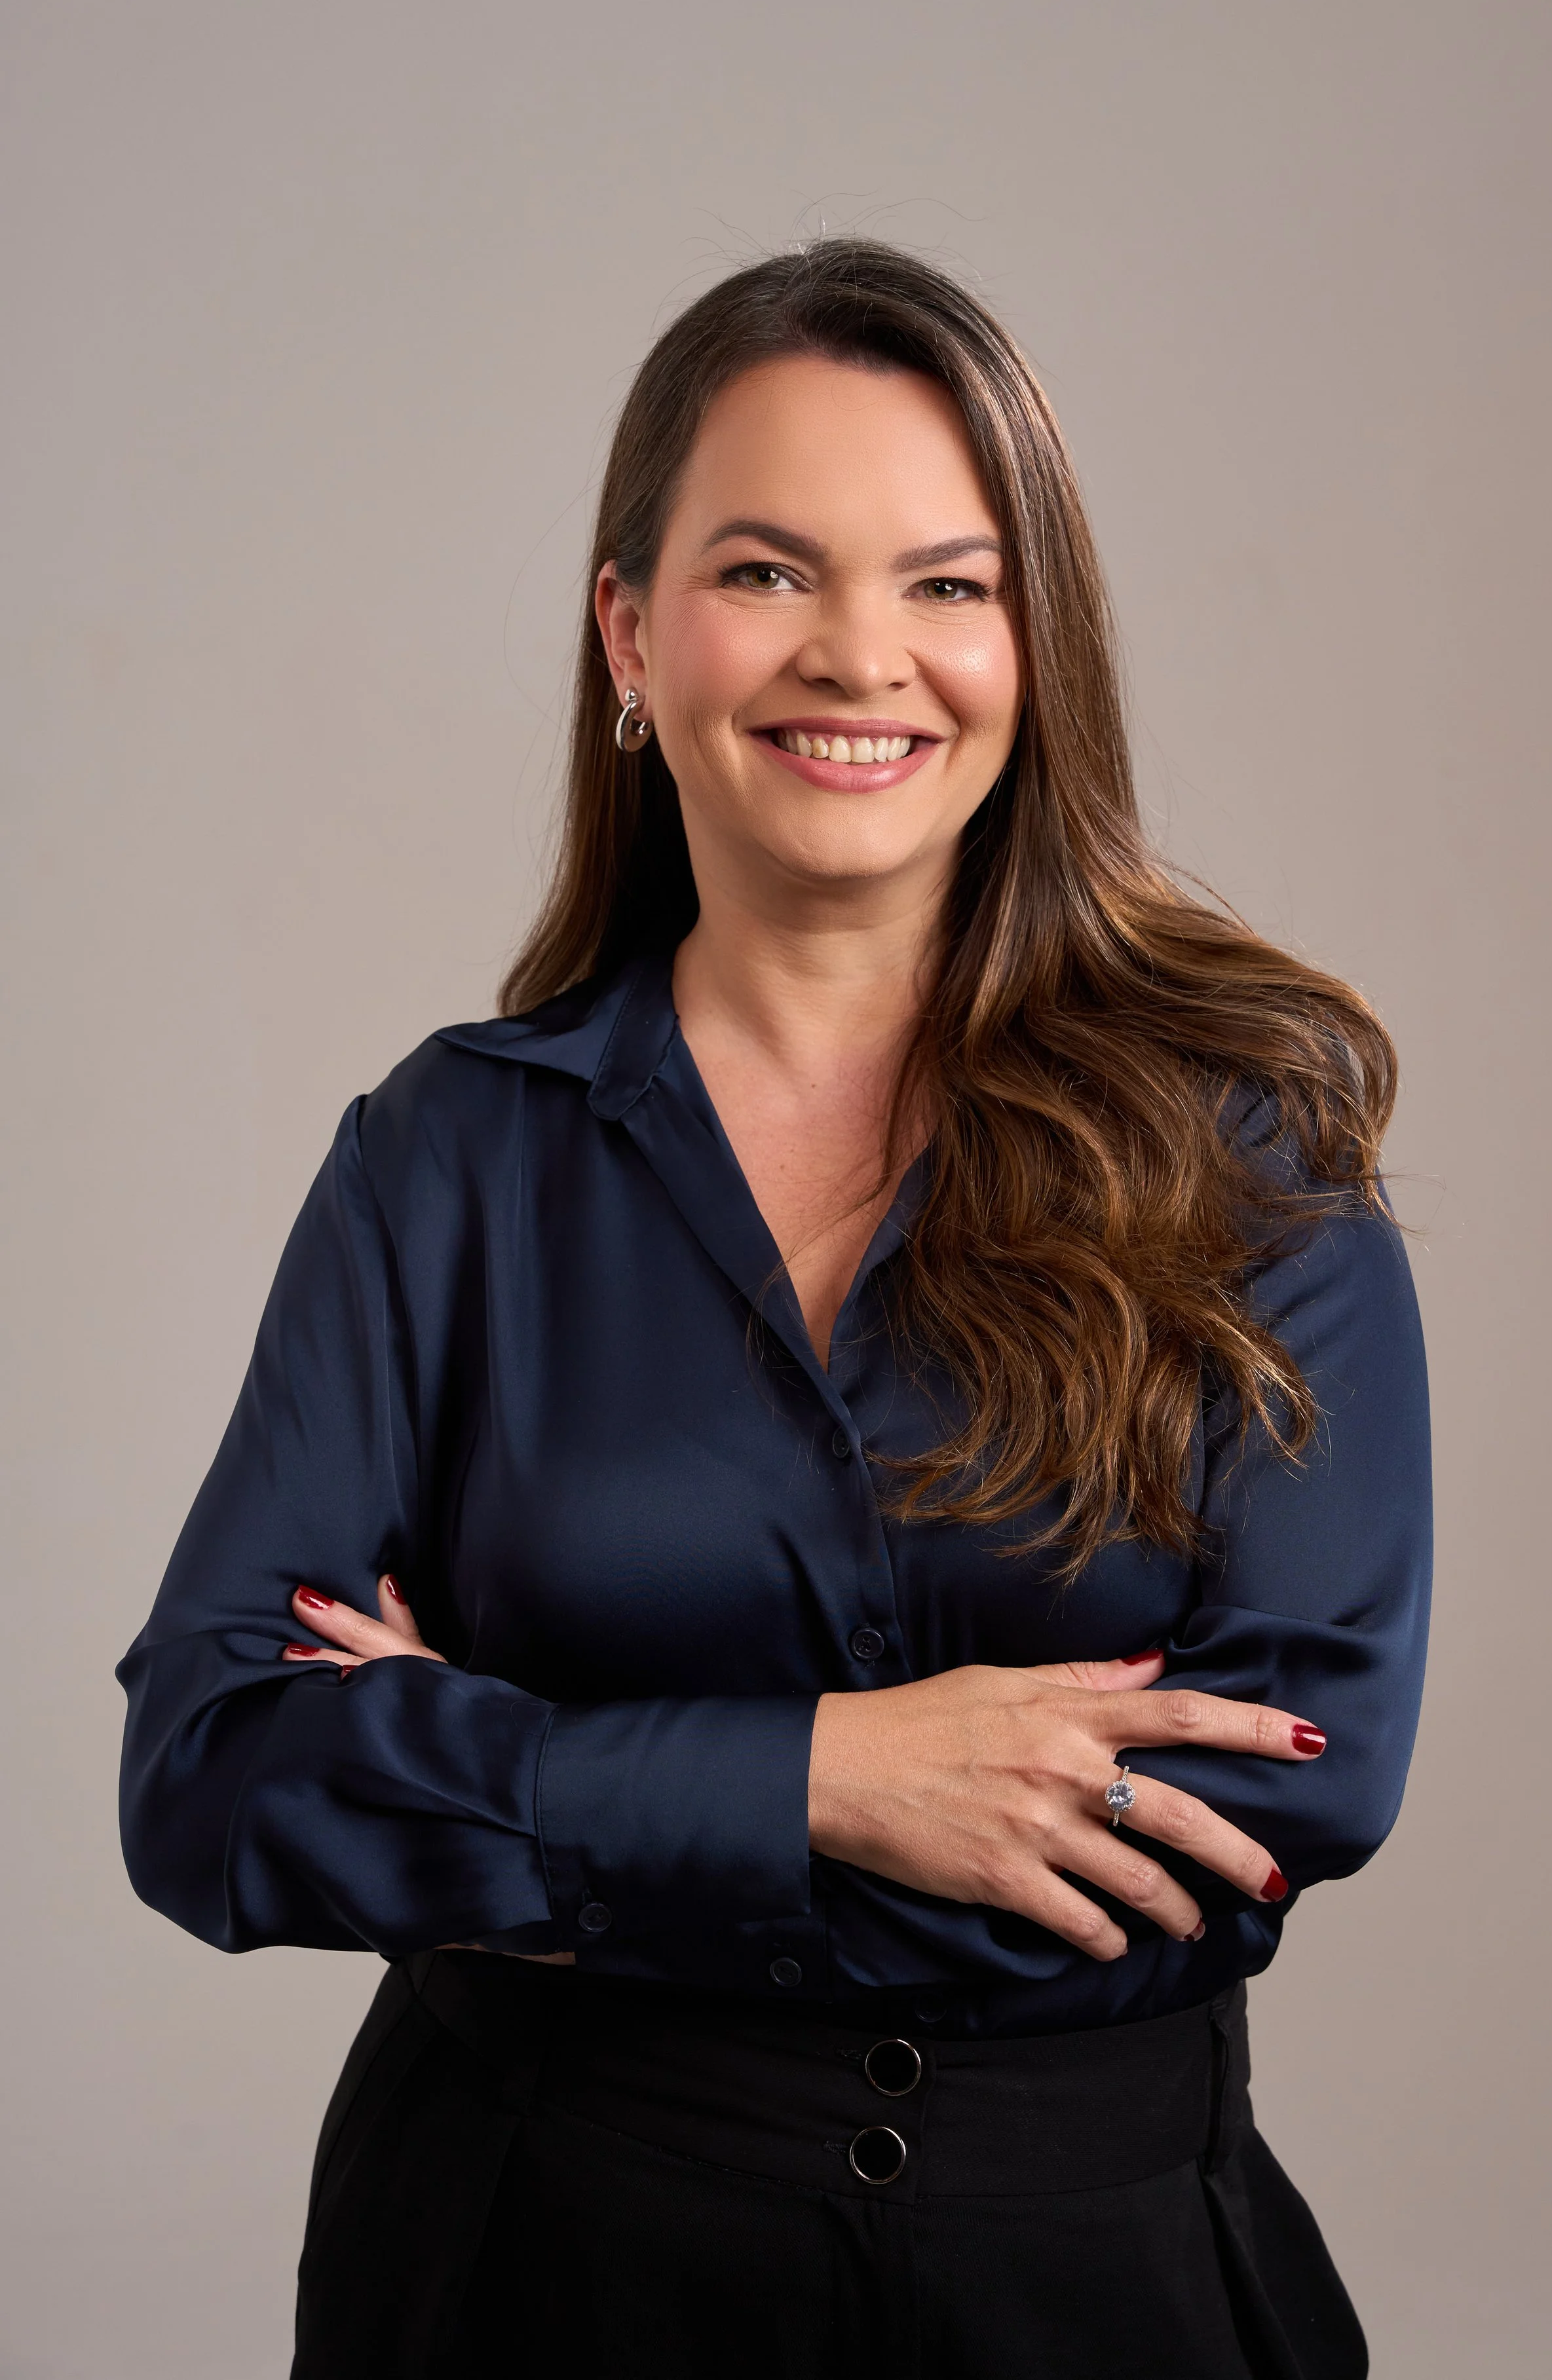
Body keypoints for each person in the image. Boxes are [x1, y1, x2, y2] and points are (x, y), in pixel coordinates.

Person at [117, 238, 1431, 2379]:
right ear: (629, 633)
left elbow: (1286, 1791)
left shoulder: (1247, 1154)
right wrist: (827, 1775)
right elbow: (213, 1773)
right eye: (763, 570)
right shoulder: (442, 1160)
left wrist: (519, 1800)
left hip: (1092, 2289)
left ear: (1035, 646)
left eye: (947, 581)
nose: (859, 656)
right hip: (519, 2273)